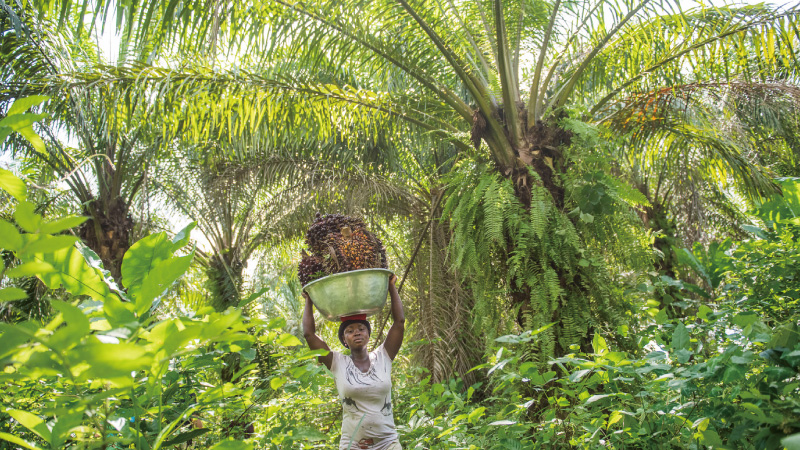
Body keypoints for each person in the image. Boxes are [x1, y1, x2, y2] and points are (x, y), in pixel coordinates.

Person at [302, 274, 405, 450]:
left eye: (361, 329)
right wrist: (309, 300)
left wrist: (391, 286)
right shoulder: (337, 362)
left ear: (368, 334)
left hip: (388, 443)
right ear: (344, 339)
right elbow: (309, 335)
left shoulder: (384, 356)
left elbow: (399, 322)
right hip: (353, 445)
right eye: (349, 331)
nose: (356, 332)